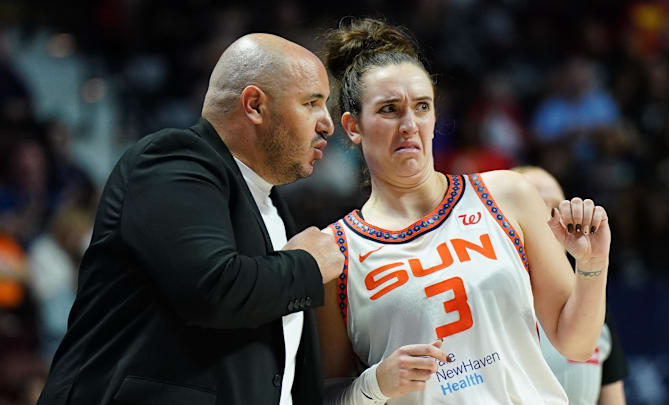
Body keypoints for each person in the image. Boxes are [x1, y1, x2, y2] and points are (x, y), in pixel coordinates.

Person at [37, 33, 343, 405]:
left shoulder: (271, 204)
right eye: (311, 103)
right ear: (255, 106)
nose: (327, 123)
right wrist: (307, 266)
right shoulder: (173, 161)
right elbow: (213, 289)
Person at [317, 18, 611, 404]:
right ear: (353, 127)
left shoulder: (508, 194)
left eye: (422, 107)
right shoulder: (333, 252)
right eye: (389, 109)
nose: (409, 124)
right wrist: (375, 384)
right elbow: (323, 395)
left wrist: (593, 264)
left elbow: (575, 343)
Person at [512, 166, 628, 405]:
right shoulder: (484, 303)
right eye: (536, 206)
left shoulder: (591, 304)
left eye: (557, 207)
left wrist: (593, 262)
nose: (550, 218)